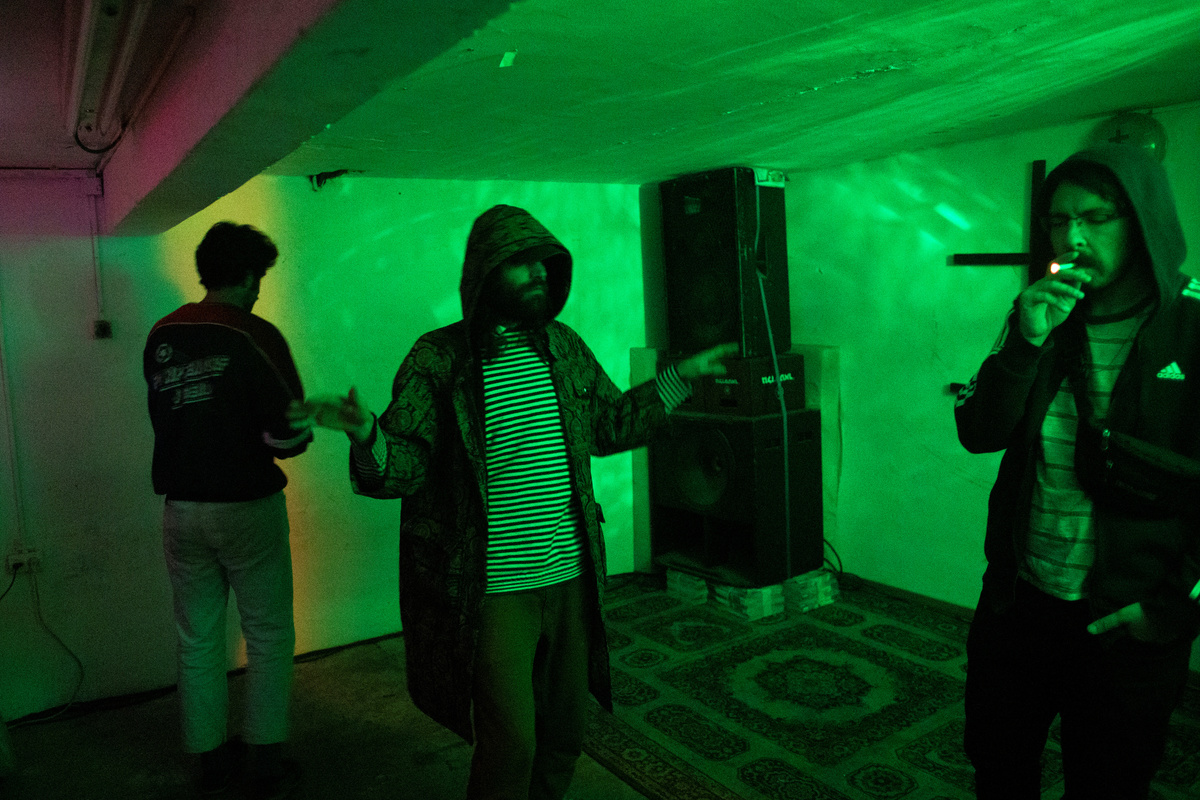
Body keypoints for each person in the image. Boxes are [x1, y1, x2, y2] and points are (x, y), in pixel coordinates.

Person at [294, 204, 736, 800]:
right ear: (485, 272)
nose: (538, 274)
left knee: (564, 735)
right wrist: (367, 432)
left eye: (544, 263)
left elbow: (609, 424)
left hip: (571, 580)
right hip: (495, 591)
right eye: (521, 263)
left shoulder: (564, 348)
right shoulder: (440, 360)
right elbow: (405, 468)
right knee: (511, 746)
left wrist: (680, 376)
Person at [954, 143, 1200, 799]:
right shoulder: (1040, 312)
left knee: (1108, 782)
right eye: (1059, 221)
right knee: (999, 765)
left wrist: (1169, 610)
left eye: (1095, 217)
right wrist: (1026, 340)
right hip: (1020, 603)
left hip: (1125, 618)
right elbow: (978, 432)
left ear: (1142, 219)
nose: (1073, 238)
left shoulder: (1192, 325)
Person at [144, 221, 311, 799]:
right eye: (258, 276)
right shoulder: (255, 334)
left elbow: (170, 417)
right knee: (268, 633)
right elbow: (289, 436)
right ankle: (265, 761)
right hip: (246, 508)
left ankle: (209, 763)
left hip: (181, 508)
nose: (259, 287)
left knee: (197, 637)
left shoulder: (161, 334)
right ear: (245, 275)